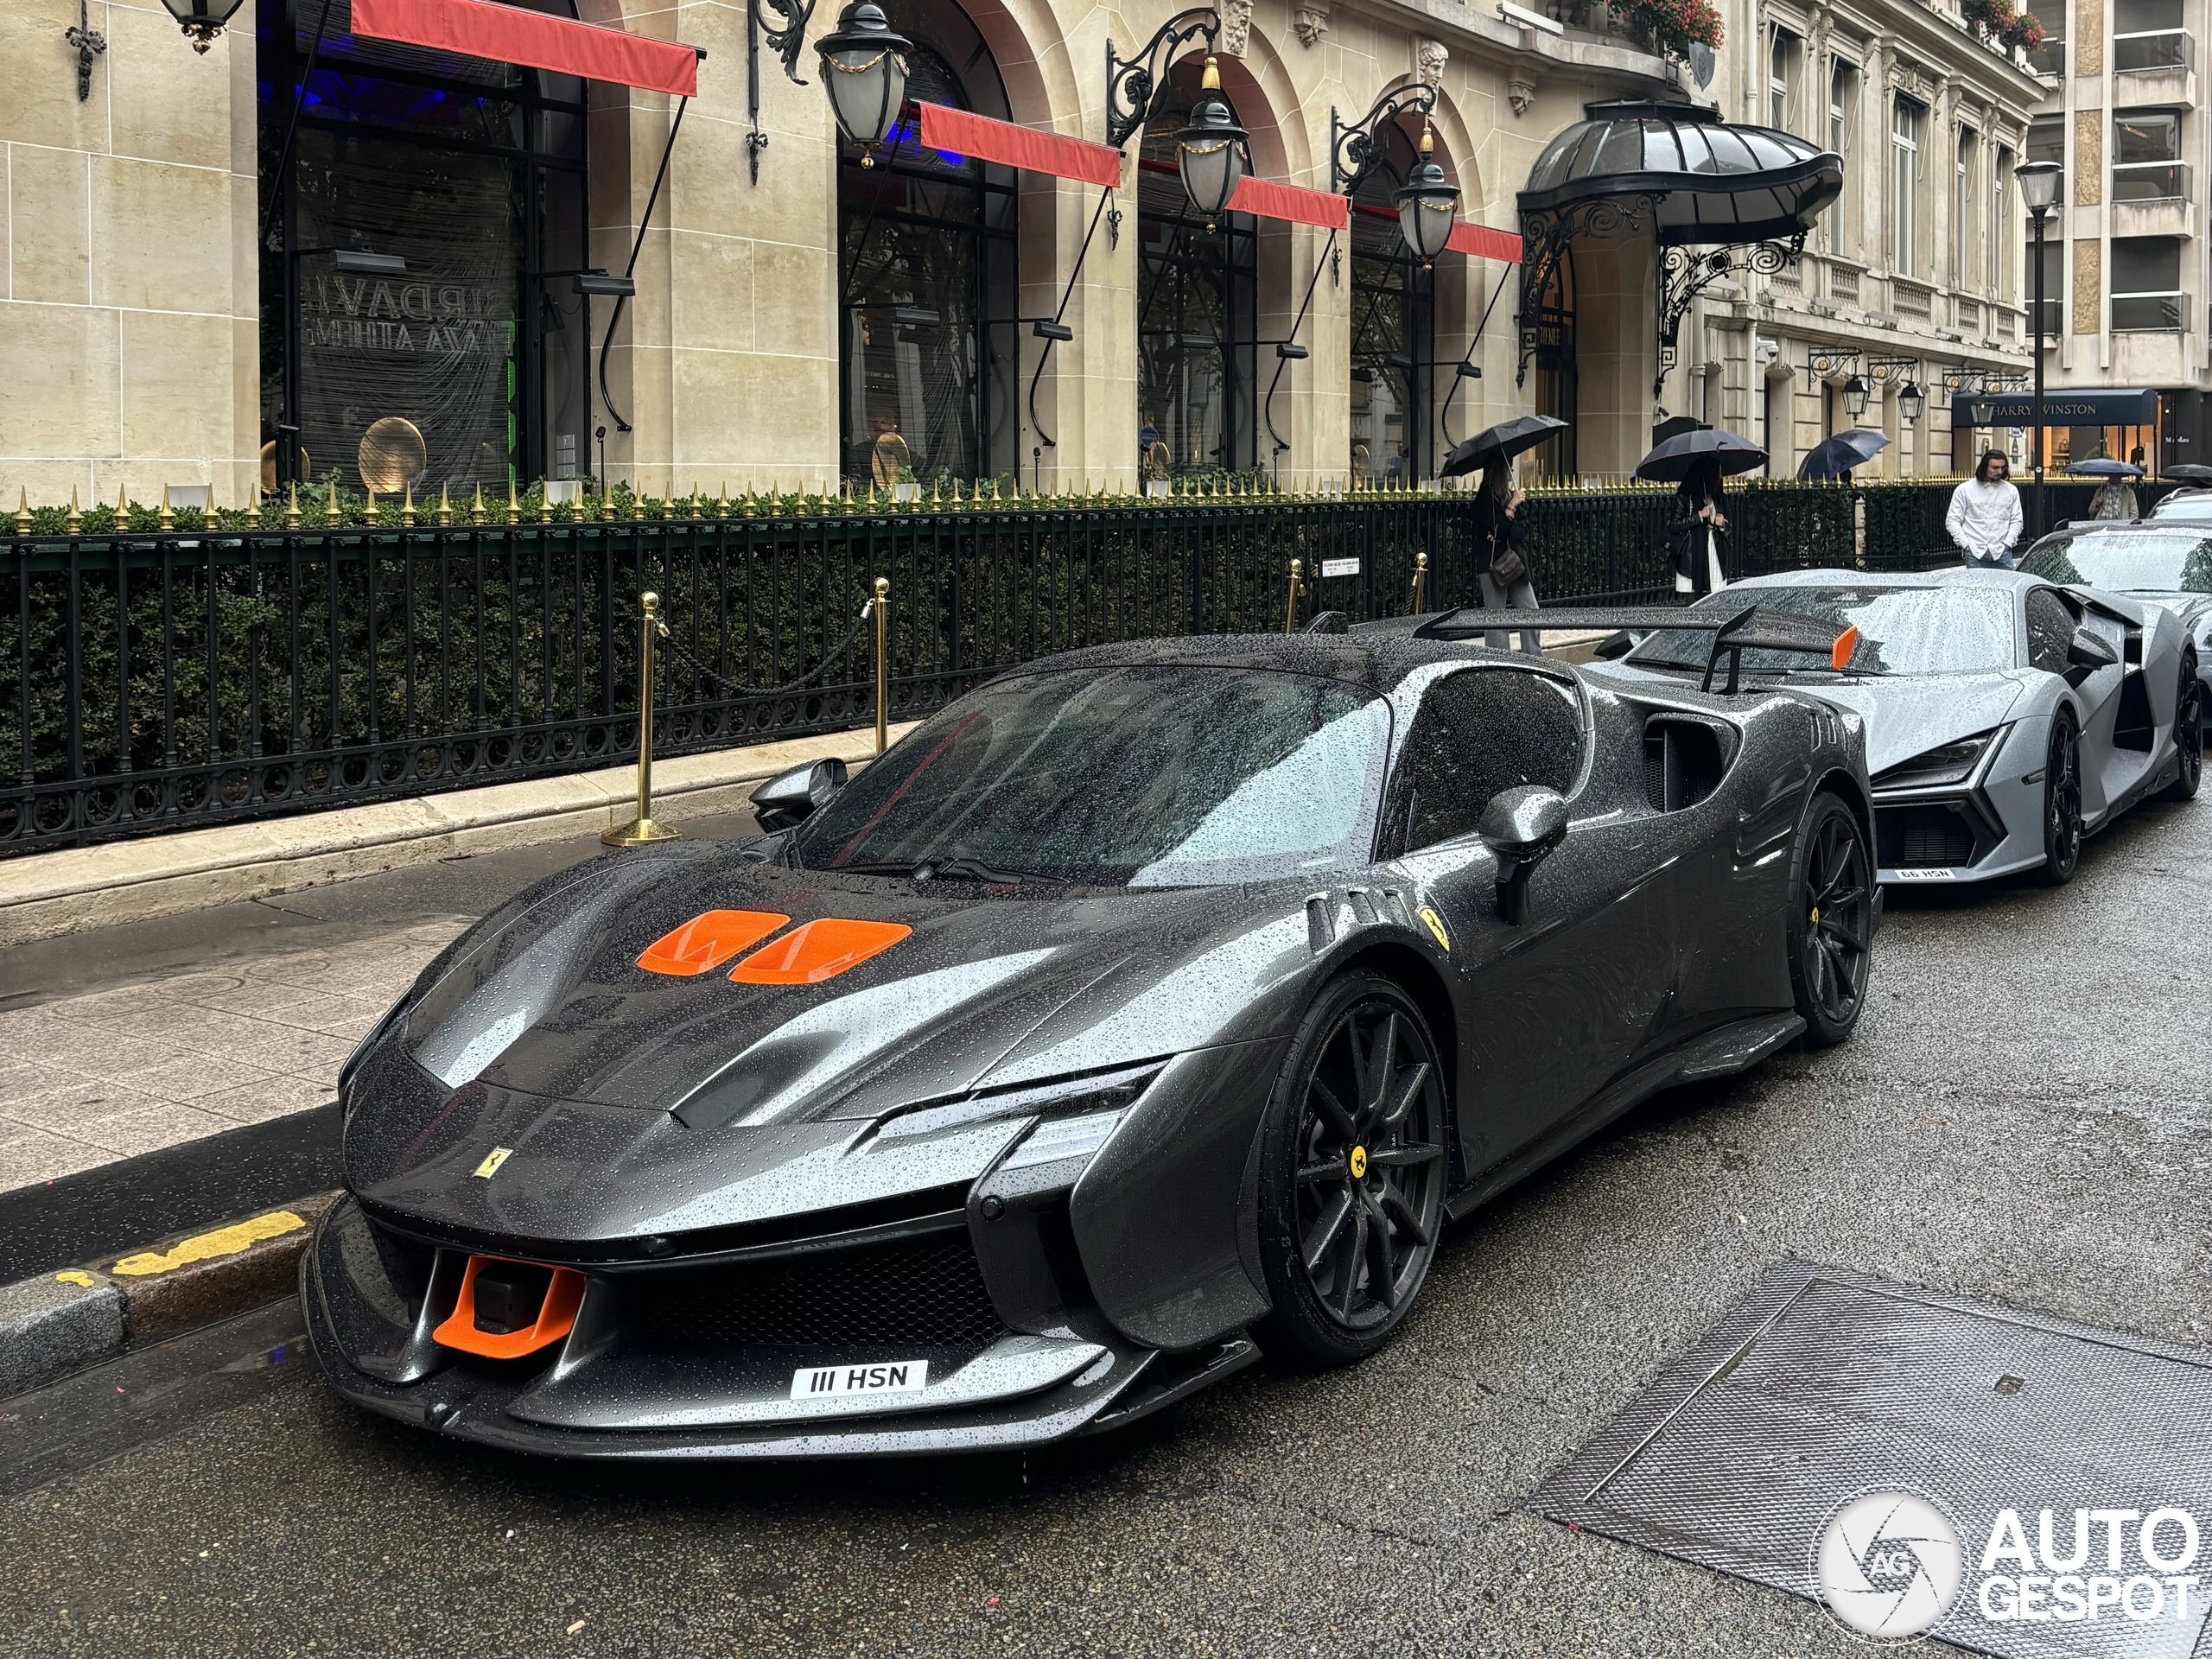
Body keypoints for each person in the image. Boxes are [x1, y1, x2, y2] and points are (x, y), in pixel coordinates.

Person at [1471, 461, 1539, 653]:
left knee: (1531, 612)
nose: (1511, 471)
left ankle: (1534, 659)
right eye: (1507, 467)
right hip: (1492, 565)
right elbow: (1498, 530)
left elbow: (1524, 525)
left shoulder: (1512, 494)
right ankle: (1501, 664)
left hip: (1514, 563)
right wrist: (1510, 509)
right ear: (1499, 471)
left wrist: (1505, 531)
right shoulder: (1484, 499)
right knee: (1497, 619)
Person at [1945, 449, 2024, 567]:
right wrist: (1966, 545)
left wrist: (2008, 543)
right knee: (1977, 586)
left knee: (2007, 585)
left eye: (2003, 468)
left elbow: (2017, 520)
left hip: (2002, 553)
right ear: (1984, 467)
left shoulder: (2011, 490)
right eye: (1995, 468)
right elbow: (1952, 520)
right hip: (1975, 553)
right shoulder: (1964, 490)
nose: (2000, 471)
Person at [1666, 458, 1731, 594]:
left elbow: (1730, 526)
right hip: (1693, 554)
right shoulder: (1684, 497)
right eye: (1718, 472)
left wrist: (1723, 524)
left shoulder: (1720, 497)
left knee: (1715, 594)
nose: (1721, 476)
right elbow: (1674, 525)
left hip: (1714, 552)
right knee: (1694, 597)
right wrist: (1699, 516)